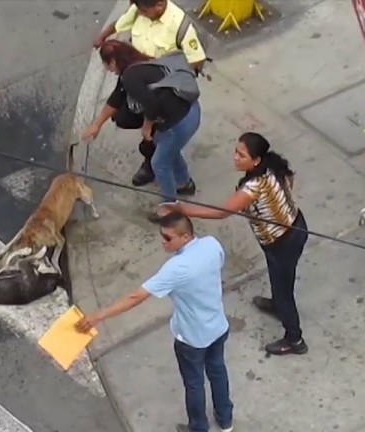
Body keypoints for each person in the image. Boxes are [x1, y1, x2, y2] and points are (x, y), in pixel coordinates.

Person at [75, 211, 234, 432]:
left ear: (185, 237)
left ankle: (198, 427)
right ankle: (225, 420)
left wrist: (98, 316)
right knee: (218, 371)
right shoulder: (212, 244)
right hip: (218, 326)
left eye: (168, 238)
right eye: (162, 236)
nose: (163, 242)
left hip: (191, 338)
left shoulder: (175, 268)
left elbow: (136, 297)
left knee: (194, 384)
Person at [159, 132, 309, 356]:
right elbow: (290, 179)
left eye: (242, 155)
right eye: (236, 152)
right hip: (294, 226)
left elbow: (221, 212)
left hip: (281, 241)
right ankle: (277, 305)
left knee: (283, 288)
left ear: (255, 159)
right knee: (279, 279)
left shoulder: (253, 187)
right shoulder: (272, 166)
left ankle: (294, 339)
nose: (236, 157)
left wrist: (181, 209)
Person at [89, 0, 208, 187]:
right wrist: (102, 36)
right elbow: (119, 23)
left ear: (159, 5)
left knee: (156, 134)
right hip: (136, 74)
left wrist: (168, 77)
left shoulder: (180, 25)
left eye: (145, 11)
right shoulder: (139, 10)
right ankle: (158, 158)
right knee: (125, 116)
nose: (141, 14)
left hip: (161, 86)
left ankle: (161, 169)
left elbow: (196, 60)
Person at [83, 40, 201, 219]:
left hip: (180, 121)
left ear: (113, 62)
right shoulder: (139, 66)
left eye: (106, 64)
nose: (108, 69)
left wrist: (147, 127)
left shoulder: (131, 77)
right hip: (191, 110)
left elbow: (150, 104)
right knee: (167, 148)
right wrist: (96, 124)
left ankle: (171, 209)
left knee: (159, 163)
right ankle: (184, 183)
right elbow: (117, 97)